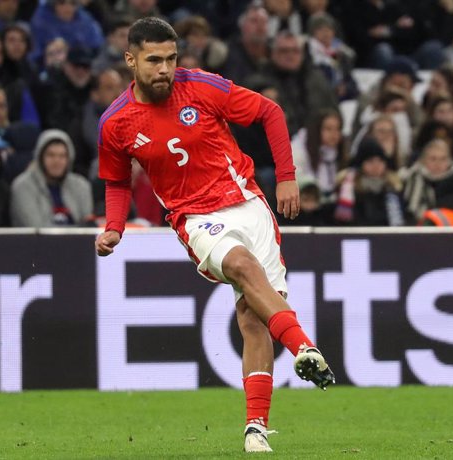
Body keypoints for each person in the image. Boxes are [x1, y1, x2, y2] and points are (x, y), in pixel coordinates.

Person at [93, 17, 335, 453]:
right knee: (241, 265)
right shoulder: (116, 123)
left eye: (170, 58)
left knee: (252, 317)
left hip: (247, 202)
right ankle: (303, 346)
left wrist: (287, 177)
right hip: (194, 216)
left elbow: (269, 112)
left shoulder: (201, 86)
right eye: (153, 60)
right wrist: (114, 227)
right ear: (130, 60)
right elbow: (116, 181)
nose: (165, 69)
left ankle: (256, 428)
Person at [10, 129, 93, 227]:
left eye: (62, 156)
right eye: (51, 155)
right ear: (40, 157)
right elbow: (36, 230)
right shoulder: (23, 186)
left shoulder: (81, 185)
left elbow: (87, 227)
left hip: (78, 242)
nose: (56, 161)